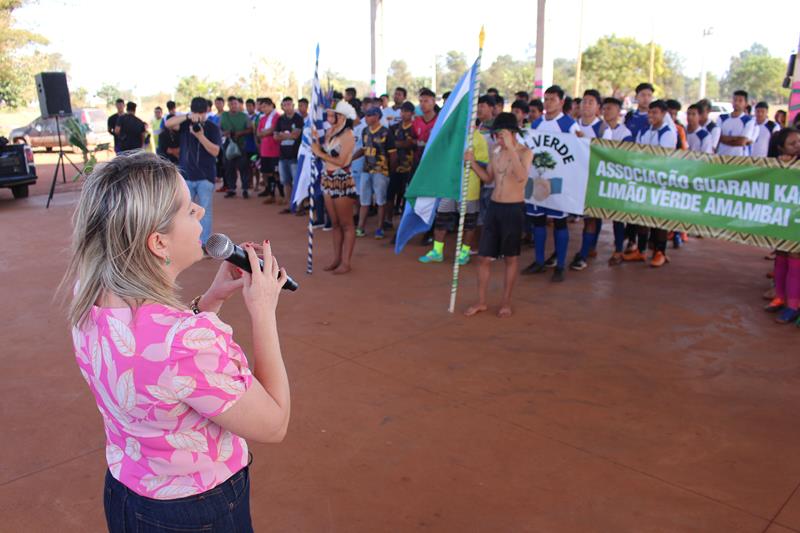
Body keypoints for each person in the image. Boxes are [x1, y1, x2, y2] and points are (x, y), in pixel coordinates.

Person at [61, 150, 290, 532]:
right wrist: (264, 312)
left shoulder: (89, 293)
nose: (200, 211)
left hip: (128, 494)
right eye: (187, 210)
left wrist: (211, 301)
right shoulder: (186, 340)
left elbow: (156, 357)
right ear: (159, 243)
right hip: (195, 513)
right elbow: (274, 424)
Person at [464, 113, 533, 318]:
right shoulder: (495, 152)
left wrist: (511, 149)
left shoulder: (525, 152)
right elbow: (488, 179)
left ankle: (506, 301)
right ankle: (481, 301)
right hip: (495, 207)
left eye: (501, 135)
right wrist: (473, 162)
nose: (498, 139)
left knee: (510, 258)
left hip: (513, 208)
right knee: (484, 258)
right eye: (496, 135)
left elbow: (521, 177)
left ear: (512, 133)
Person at [520, 85, 580, 282]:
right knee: (537, 220)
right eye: (546, 99)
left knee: (559, 222)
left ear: (562, 102)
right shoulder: (536, 125)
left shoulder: (569, 125)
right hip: (536, 178)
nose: (548, 103)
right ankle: (538, 261)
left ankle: (560, 265)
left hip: (558, 182)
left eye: (552, 99)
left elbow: (580, 151)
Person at [418, 127, 489, 266]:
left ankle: (464, 253)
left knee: (468, 223)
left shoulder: (479, 138)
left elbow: (484, 165)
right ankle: (437, 251)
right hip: (449, 186)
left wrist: (471, 161)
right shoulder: (452, 134)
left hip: (469, 188)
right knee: (442, 218)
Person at [622, 99, 677, 268]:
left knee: (658, 218)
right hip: (643, 179)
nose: (651, 116)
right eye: (650, 112)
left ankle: (660, 252)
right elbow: (637, 152)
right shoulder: (644, 130)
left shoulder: (668, 132)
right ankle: (641, 250)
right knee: (641, 215)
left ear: (663, 114)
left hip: (660, 181)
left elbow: (662, 157)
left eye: (655, 113)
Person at [165, 97, 223, 245]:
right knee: (183, 211)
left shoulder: (212, 128)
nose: (199, 116)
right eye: (196, 112)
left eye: (201, 113)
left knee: (205, 212)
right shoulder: (185, 124)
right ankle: (185, 242)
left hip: (206, 177)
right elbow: (168, 123)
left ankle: (204, 245)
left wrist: (200, 136)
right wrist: (187, 117)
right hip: (186, 176)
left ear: (207, 111)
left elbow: (216, 151)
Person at [310, 101, 358, 274]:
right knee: (335, 223)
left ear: (342, 117)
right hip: (328, 180)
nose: (329, 118)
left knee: (346, 223)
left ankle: (346, 262)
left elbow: (340, 161)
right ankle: (337, 258)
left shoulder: (349, 135)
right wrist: (316, 141)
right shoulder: (330, 132)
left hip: (342, 181)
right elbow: (327, 154)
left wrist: (319, 152)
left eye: (333, 115)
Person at [764, 127, 800, 325]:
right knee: (781, 254)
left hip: (797, 220)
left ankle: (793, 306)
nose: (797, 146)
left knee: (795, 256)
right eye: (792, 144)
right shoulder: (775, 165)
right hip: (782, 217)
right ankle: (780, 297)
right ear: (780, 148)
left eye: (799, 142)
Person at [597, 97, 636, 266]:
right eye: (604, 108)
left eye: (610, 109)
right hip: (602, 177)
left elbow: (623, 157)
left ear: (619, 112)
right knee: (603, 214)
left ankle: (619, 248)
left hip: (619, 179)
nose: (606, 112)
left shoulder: (625, 133)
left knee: (618, 216)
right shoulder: (600, 129)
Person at [569, 89, 604, 272]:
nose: (586, 105)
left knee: (591, 218)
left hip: (593, 179)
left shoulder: (603, 129)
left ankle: (583, 254)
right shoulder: (573, 125)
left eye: (591, 102)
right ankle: (587, 248)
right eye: (584, 101)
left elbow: (606, 153)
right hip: (575, 177)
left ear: (598, 107)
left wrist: (587, 142)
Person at [354, 107, 395, 239]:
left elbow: (393, 155)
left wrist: (390, 172)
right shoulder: (365, 131)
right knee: (364, 200)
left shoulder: (386, 133)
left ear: (376, 116)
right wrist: (351, 159)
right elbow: (364, 149)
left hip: (380, 171)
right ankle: (360, 228)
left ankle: (379, 228)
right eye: (365, 115)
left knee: (380, 201)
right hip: (366, 170)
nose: (365, 118)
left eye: (368, 115)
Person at [386, 101, 417, 227]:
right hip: (394, 166)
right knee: (390, 194)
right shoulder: (395, 127)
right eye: (402, 111)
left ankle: (403, 223)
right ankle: (388, 220)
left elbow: (409, 144)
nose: (404, 114)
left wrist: (396, 144)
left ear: (412, 113)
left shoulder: (414, 128)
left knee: (406, 196)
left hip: (410, 167)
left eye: (407, 111)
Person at [275, 97, 305, 213]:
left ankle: (300, 205)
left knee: (296, 181)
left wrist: (283, 135)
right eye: (285, 104)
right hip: (283, 155)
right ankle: (289, 205)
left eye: (289, 104)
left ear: (293, 105)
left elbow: (296, 135)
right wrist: (287, 135)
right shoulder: (280, 119)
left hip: (295, 155)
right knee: (285, 182)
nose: (287, 106)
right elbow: (275, 136)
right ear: (282, 106)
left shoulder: (298, 119)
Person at [220, 96, 252, 199]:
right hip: (228, 144)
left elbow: (250, 129)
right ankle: (231, 189)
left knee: (244, 167)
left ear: (238, 105)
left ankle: (245, 189)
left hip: (241, 145)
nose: (234, 105)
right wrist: (224, 133)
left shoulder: (244, 116)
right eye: (231, 104)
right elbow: (219, 129)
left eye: (235, 103)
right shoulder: (224, 116)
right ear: (228, 105)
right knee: (229, 167)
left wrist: (240, 133)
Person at [256, 98, 283, 204]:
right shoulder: (262, 118)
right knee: (268, 173)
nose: (264, 109)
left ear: (272, 105)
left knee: (276, 173)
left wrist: (265, 132)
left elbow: (273, 129)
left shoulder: (277, 116)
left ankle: (282, 195)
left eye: (266, 106)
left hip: (275, 150)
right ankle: (272, 195)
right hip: (264, 150)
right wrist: (265, 132)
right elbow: (258, 132)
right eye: (262, 107)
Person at [717, 90, 756, 156]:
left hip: (739, 159)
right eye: (735, 100)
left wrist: (725, 139)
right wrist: (736, 138)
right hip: (721, 156)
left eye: (740, 101)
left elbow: (742, 142)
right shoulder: (722, 118)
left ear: (746, 104)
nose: (737, 103)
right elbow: (718, 137)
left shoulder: (749, 120)